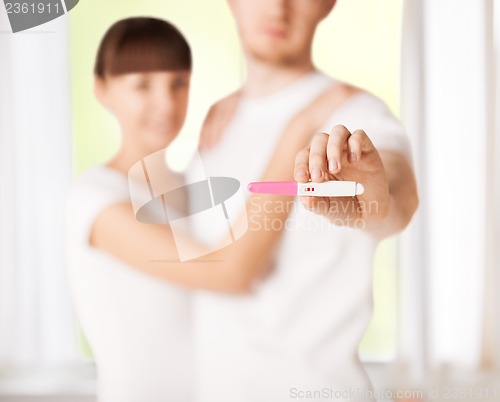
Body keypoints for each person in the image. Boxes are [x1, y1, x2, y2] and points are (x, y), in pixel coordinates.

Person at [64, 15, 351, 402]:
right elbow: (231, 271)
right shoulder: (94, 199)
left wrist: (246, 105)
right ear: (101, 89)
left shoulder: (186, 188)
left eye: (178, 82)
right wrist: (298, 129)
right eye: (142, 85)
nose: (165, 102)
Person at [189, 0, 419, 401]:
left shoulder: (356, 113)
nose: (279, 8)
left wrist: (374, 199)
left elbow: (397, 199)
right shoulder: (216, 124)